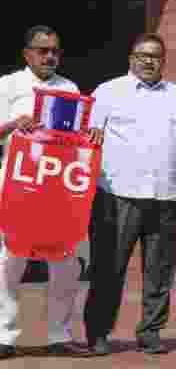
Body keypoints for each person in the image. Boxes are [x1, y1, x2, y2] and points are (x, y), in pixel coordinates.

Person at [84, 33, 176, 356]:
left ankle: (150, 332)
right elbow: (86, 136)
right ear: (131, 58)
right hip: (118, 195)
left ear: (164, 60)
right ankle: (99, 333)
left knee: (159, 271)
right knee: (109, 268)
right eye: (142, 55)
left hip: (166, 197)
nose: (148, 61)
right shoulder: (107, 92)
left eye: (155, 56)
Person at [0, 26, 90, 358]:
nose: (49, 56)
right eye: (42, 50)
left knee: (65, 263)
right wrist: (12, 125)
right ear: (27, 54)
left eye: (54, 50)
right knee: (10, 261)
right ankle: (4, 336)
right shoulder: (8, 86)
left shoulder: (69, 88)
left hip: (58, 185)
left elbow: (77, 135)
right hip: (18, 183)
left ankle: (58, 336)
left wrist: (90, 136)